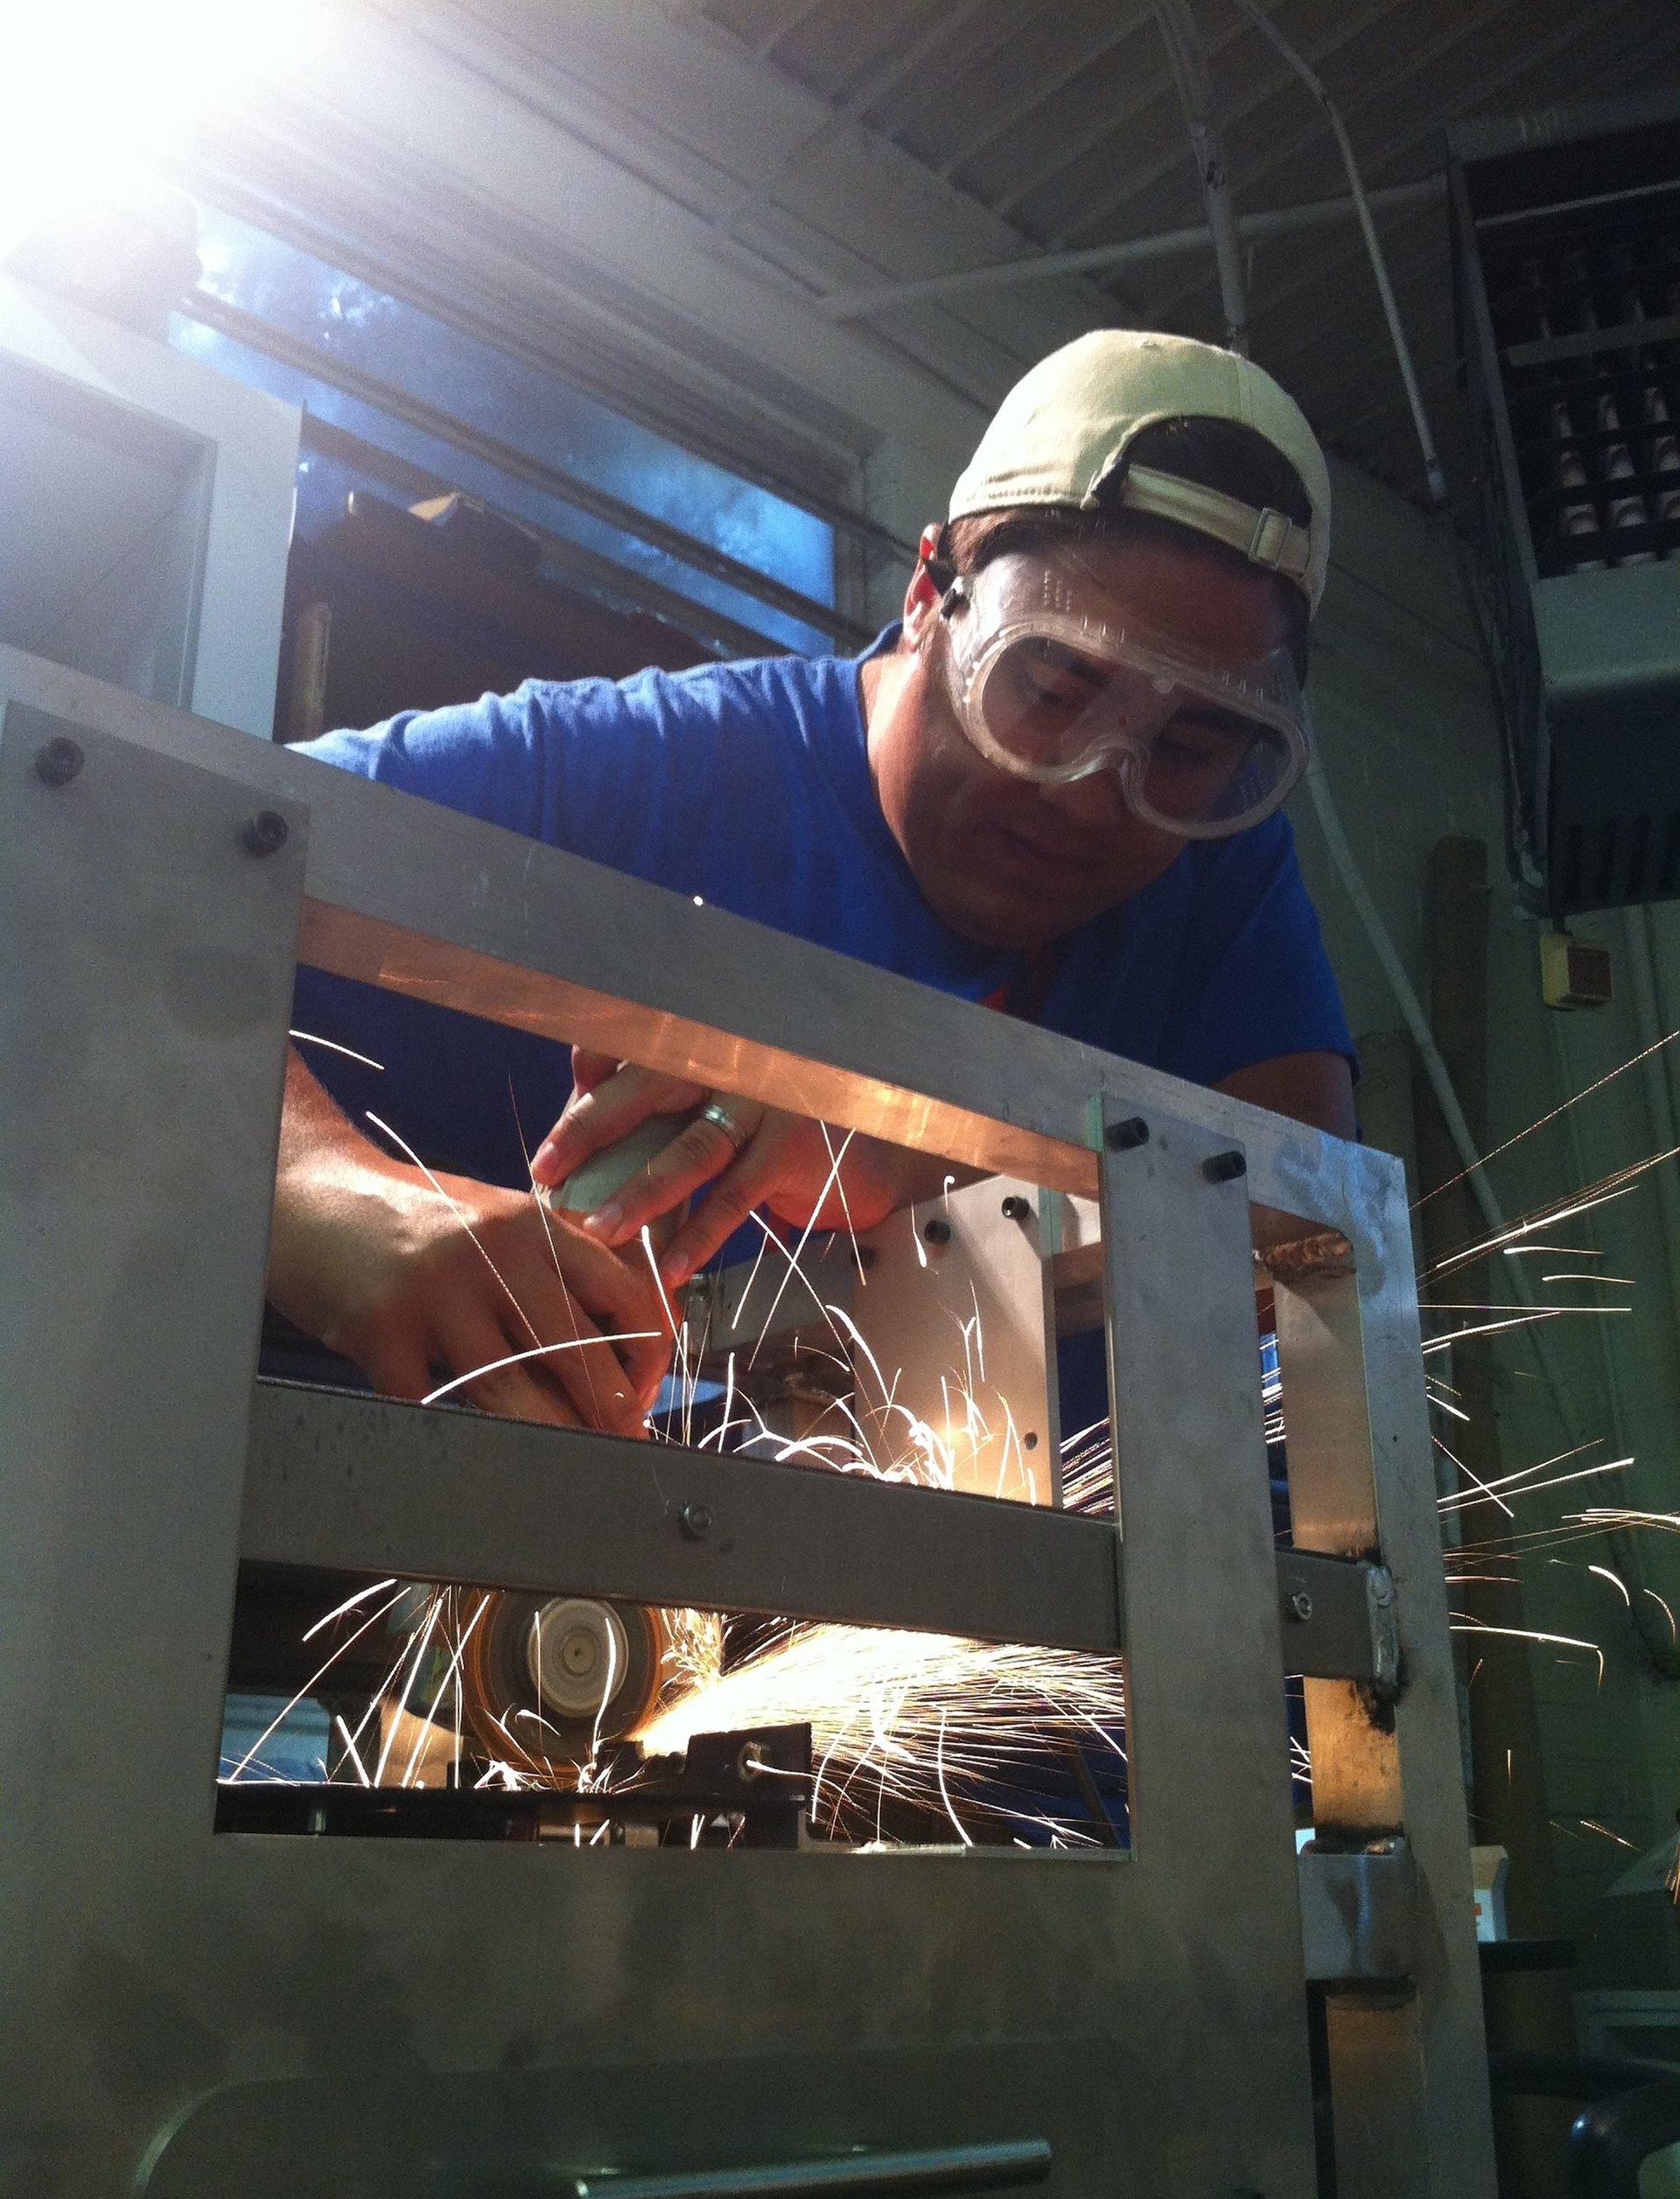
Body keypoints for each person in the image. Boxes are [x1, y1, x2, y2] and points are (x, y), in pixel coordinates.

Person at [270, 330, 1355, 1433]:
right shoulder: (635, 776)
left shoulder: (1209, 854)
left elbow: (1308, 1234)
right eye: (1051, 687)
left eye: (1188, 746)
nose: (1093, 795)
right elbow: (172, 853)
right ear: (931, 593)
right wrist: (335, 1202)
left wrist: (906, 1149)